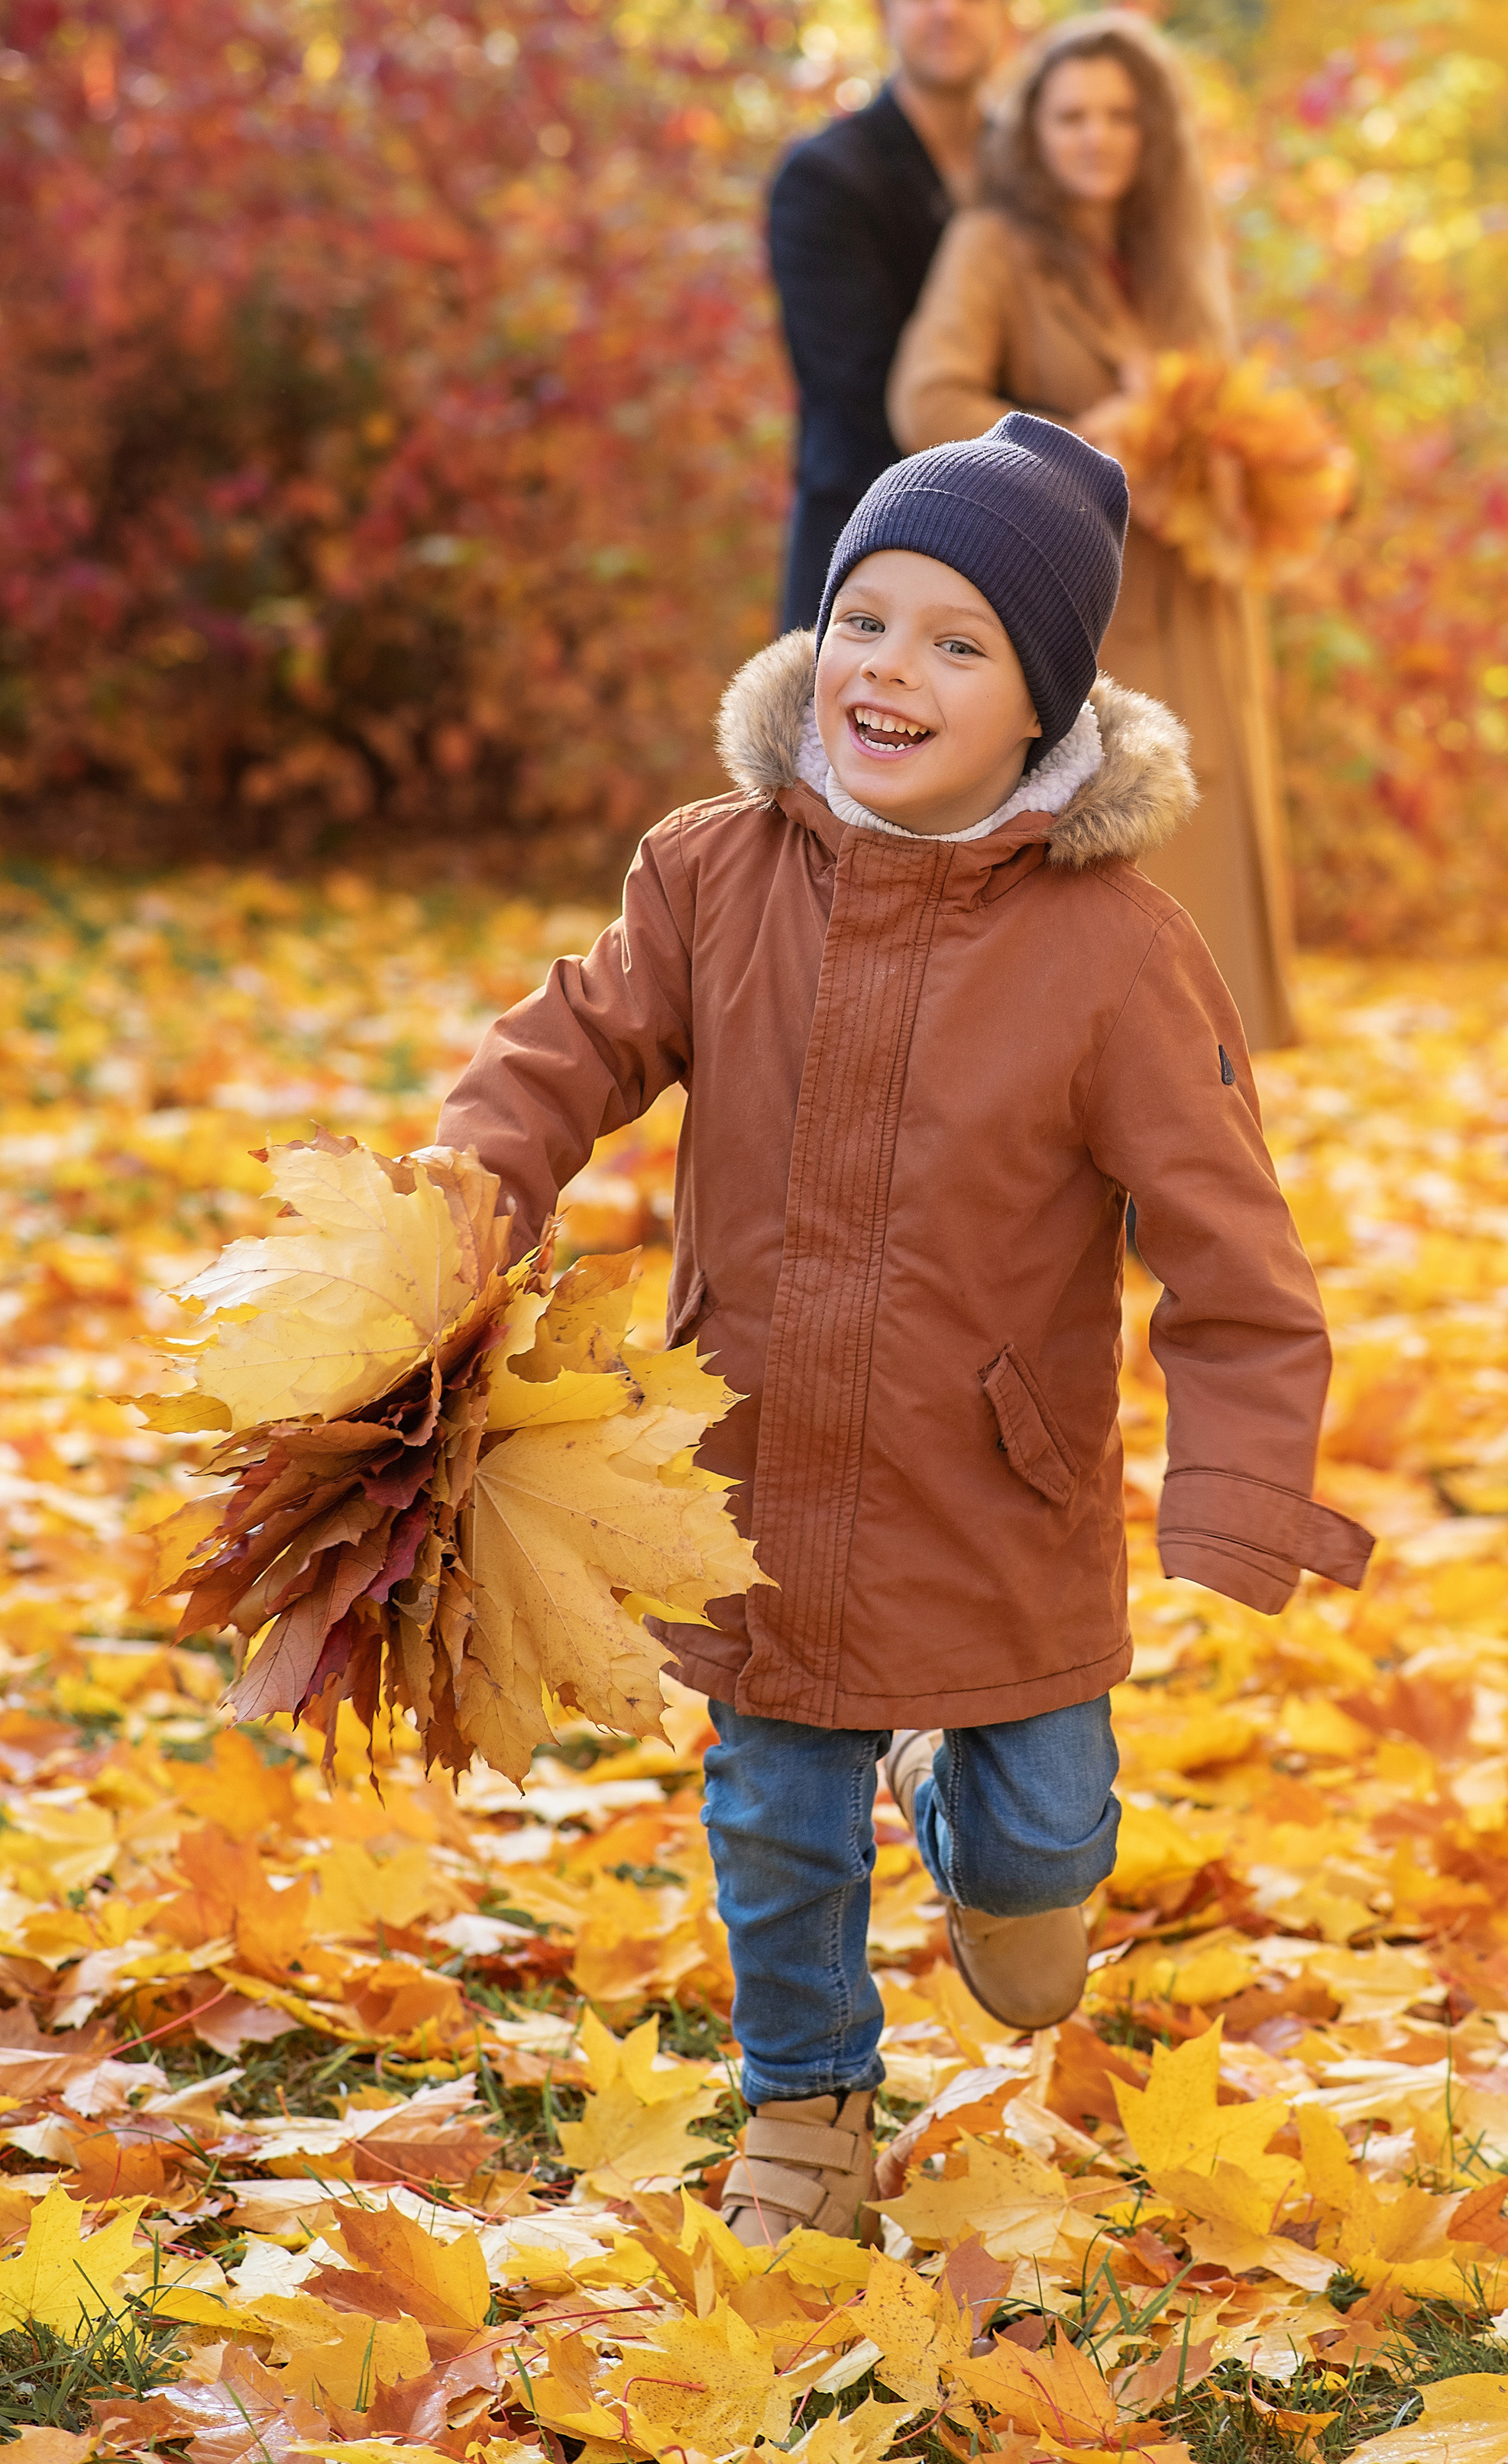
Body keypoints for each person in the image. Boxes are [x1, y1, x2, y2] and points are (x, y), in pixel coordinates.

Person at [433, 414, 1370, 2247]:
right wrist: (452, 1217)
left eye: (958, 642)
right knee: (773, 1817)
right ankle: (803, 2109)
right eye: (863, 618)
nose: (889, 669)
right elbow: (557, 1058)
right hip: (756, 1463)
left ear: (1038, 709)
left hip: (995, 1494)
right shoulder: (710, 875)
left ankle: (976, 1827)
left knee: (1039, 1852)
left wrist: (1238, 1494)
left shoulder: (1114, 951)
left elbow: (1231, 1253)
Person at [889, 9, 1299, 1052]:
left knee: (1210, 910)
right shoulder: (993, 246)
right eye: (1072, 115)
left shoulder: (1171, 258)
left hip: (1201, 597)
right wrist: (1091, 446)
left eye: (1120, 116)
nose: (1096, 137)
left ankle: (1195, 1124)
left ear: (1151, 133)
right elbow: (929, 401)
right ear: (1034, 130)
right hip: (1095, 603)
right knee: (1117, 884)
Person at [768, 0, 1012, 631]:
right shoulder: (826, 179)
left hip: (1009, 559)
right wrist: (1072, 442)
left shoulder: (1028, 171)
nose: (947, 10)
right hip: (868, 553)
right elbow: (863, 391)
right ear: (884, 8)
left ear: (1005, 12)